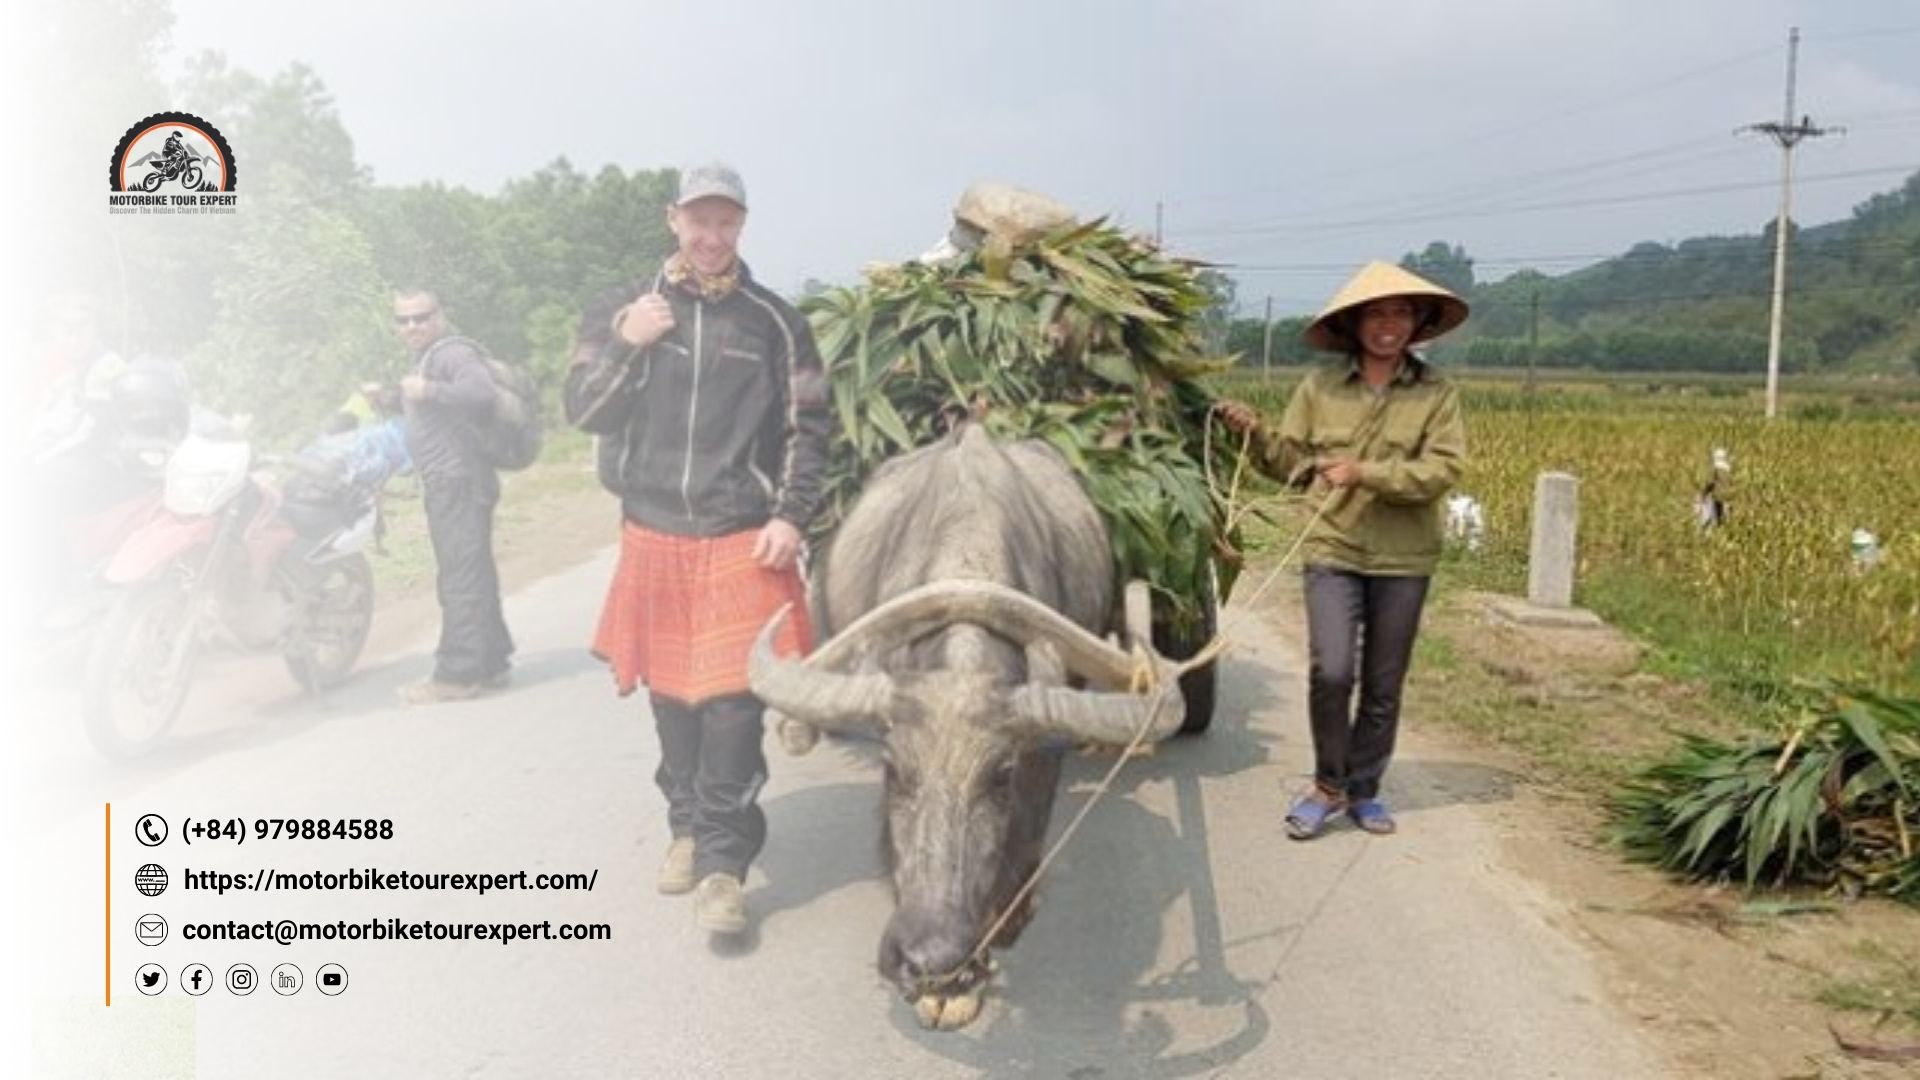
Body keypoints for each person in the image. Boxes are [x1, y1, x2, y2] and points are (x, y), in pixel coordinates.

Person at [565, 164, 831, 935]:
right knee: (674, 703)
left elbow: (808, 429)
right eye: (699, 221)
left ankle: (722, 864)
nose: (712, 237)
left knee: (731, 710)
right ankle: (684, 825)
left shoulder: (775, 322)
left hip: (742, 536)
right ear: (672, 219)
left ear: (742, 226)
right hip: (652, 529)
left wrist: (790, 514)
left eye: (727, 223)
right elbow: (584, 410)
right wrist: (627, 346)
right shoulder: (623, 308)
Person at [1214, 261, 1468, 840]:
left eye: (1401, 313)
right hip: (1331, 544)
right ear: (1354, 325)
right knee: (1332, 671)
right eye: (1376, 314)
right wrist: (1252, 432)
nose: (1388, 325)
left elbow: (1442, 469)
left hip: (1403, 557)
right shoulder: (1320, 389)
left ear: (1418, 323)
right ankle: (1327, 786)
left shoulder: (1436, 394)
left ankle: (1365, 790)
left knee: (1383, 682)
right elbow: (1287, 462)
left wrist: (1366, 472)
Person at [394, 289, 514, 703]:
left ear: (440, 315)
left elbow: (480, 392)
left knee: (460, 578)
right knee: (474, 570)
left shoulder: (452, 353)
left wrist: (427, 390)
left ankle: (458, 675)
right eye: (404, 320)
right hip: (456, 480)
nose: (412, 326)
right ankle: (493, 661)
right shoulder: (431, 356)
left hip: (458, 480)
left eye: (421, 317)